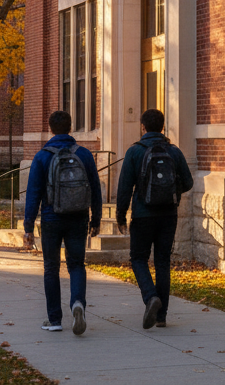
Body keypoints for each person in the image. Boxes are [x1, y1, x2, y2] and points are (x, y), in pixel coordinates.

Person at [23, 110, 102, 335]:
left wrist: (28, 226)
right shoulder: (85, 155)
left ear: (50, 129)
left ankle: (54, 319)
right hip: (78, 217)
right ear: (71, 127)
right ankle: (78, 304)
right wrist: (95, 218)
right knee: (76, 264)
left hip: (51, 218)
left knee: (51, 268)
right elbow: (95, 188)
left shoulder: (42, 156)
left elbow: (33, 193)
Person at [115, 108, 194, 330]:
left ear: (143, 127)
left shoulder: (135, 152)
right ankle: (161, 316)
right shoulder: (174, 151)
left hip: (142, 214)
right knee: (162, 262)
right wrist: (172, 193)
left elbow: (124, 187)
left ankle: (150, 298)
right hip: (168, 215)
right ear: (162, 127)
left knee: (138, 258)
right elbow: (188, 183)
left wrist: (121, 215)